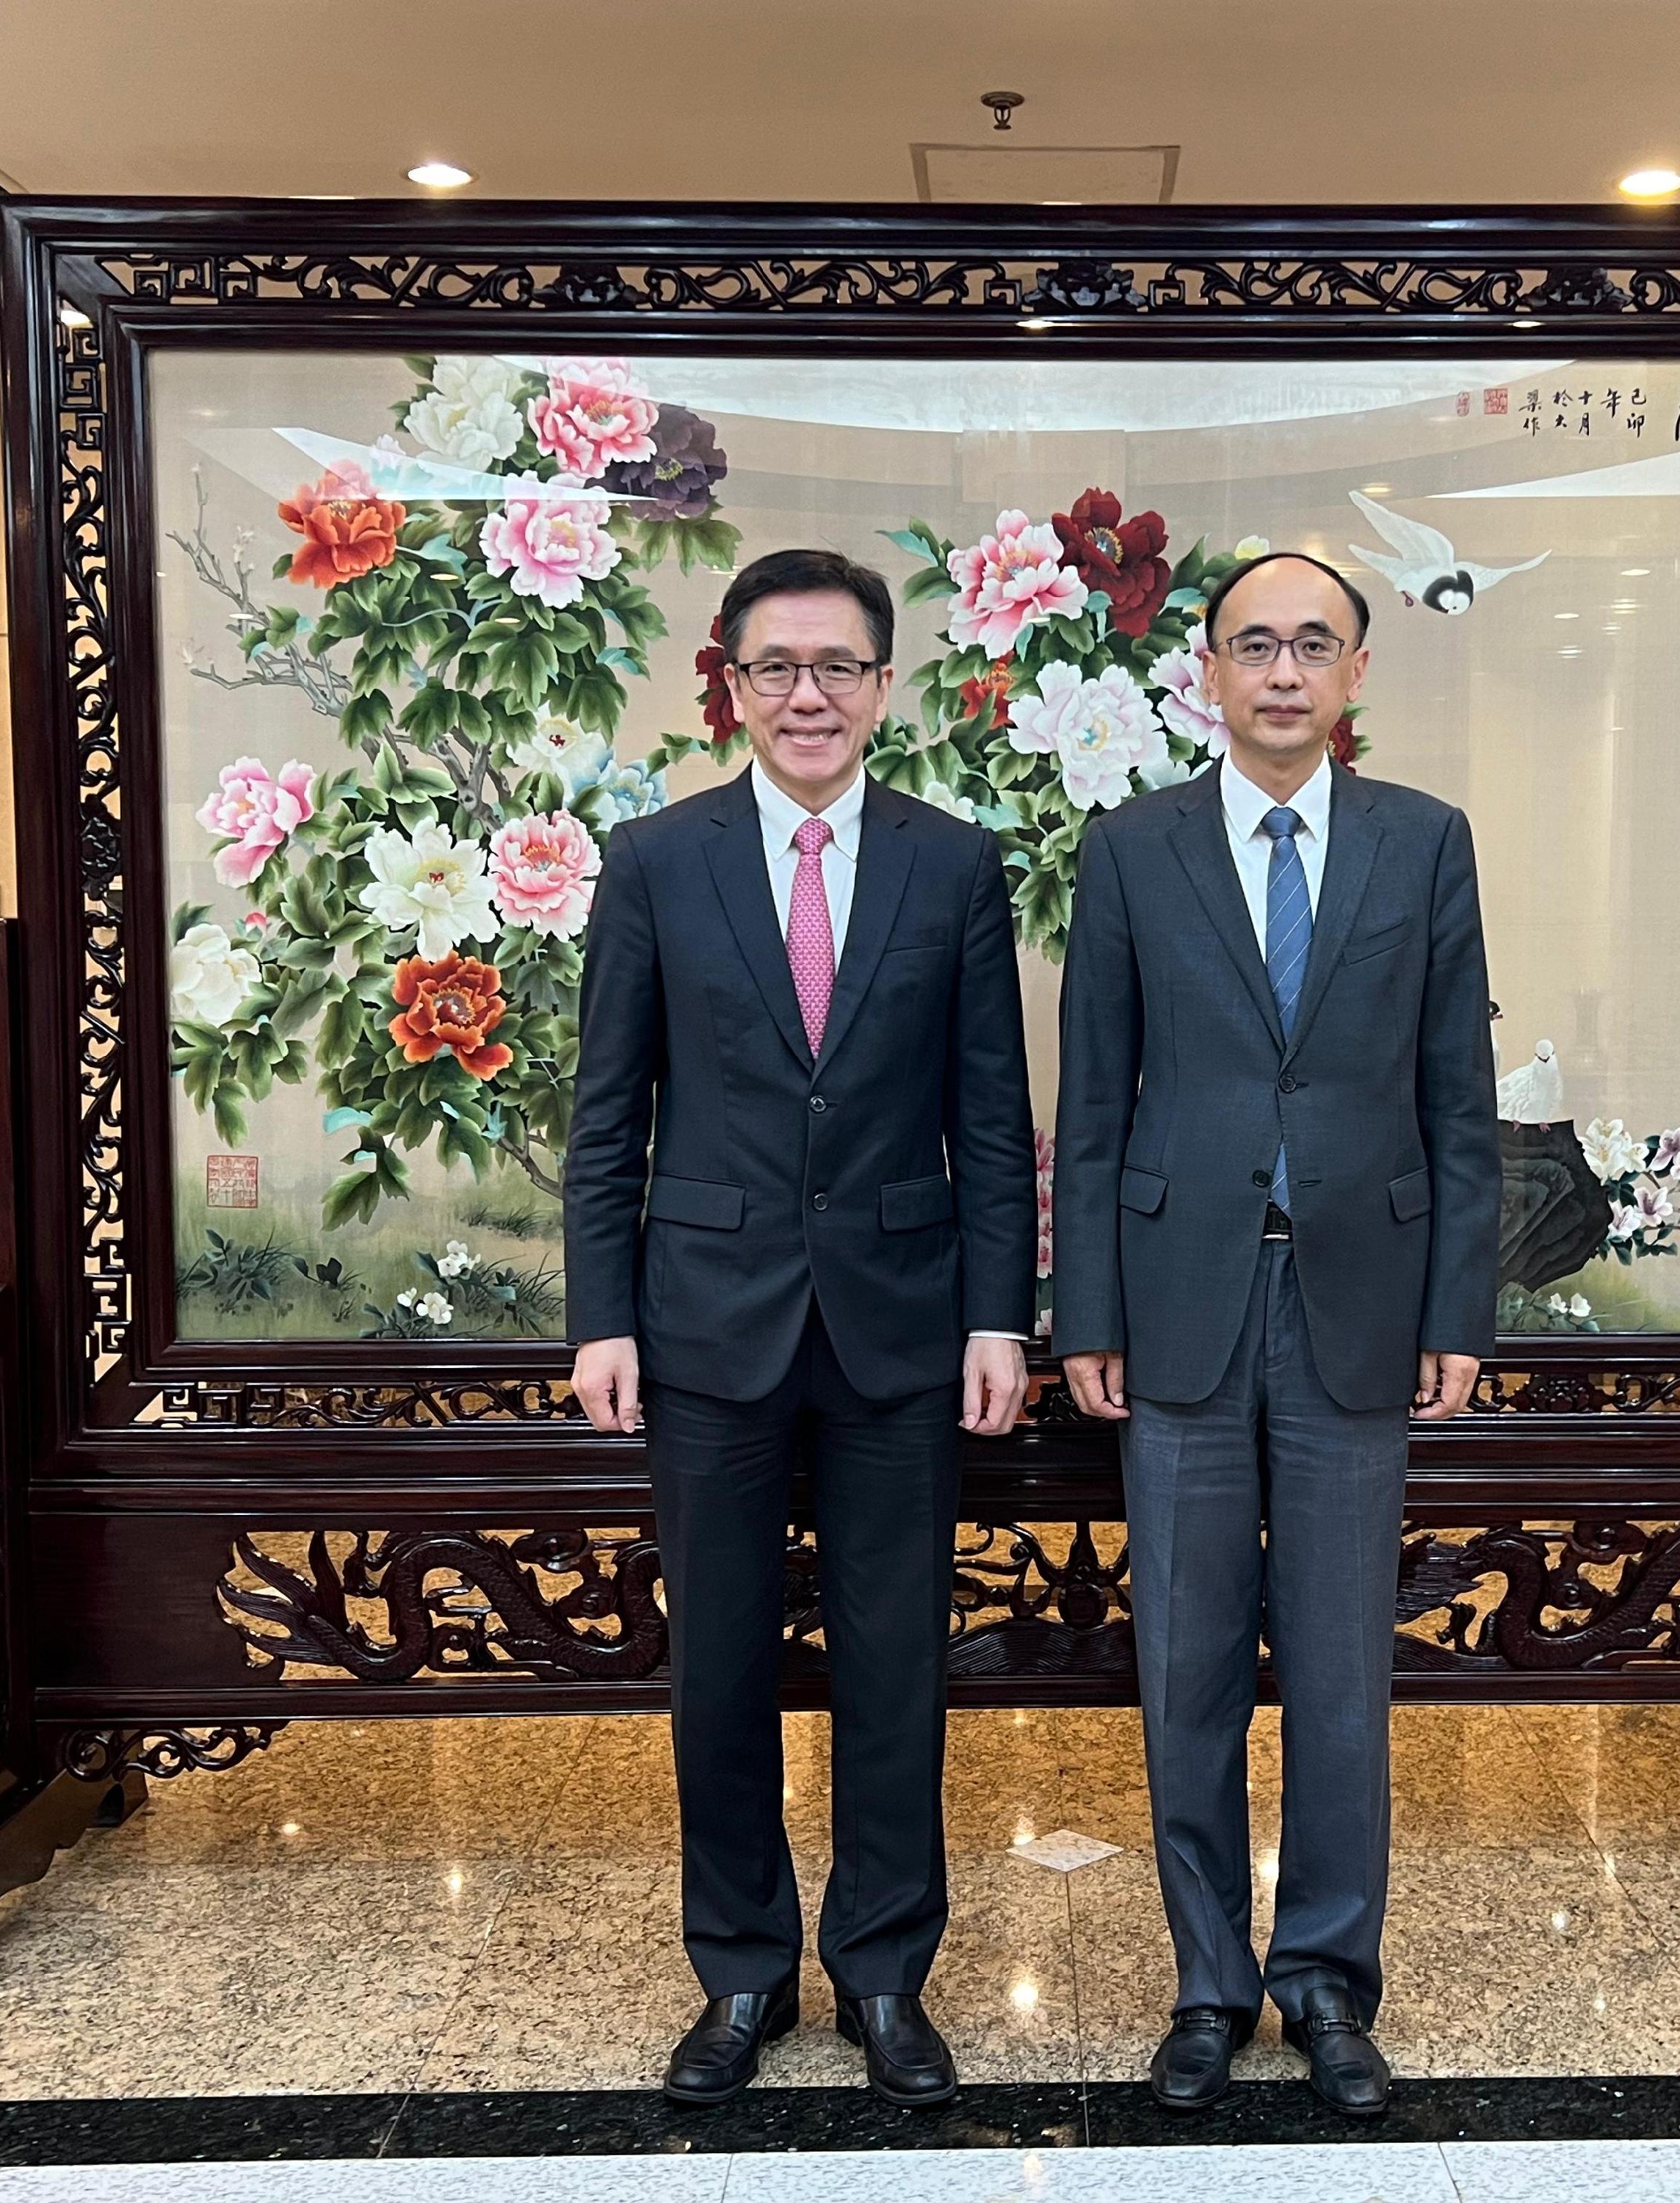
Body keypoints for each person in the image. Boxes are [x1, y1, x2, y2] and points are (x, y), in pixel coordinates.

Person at [563, 547, 1035, 2109]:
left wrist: (997, 1319)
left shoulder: (953, 865)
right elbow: (604, 1116)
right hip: (702, 1329)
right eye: (775, 668)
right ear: (732, 686)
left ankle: (887, 1971)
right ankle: (744, 1970)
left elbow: (987, 1114)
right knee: (717, 1665)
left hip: (902, 1333)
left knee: (895, 1662)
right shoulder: (652, 861)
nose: (807, 695)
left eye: (837, 667)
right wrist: (600, 1317)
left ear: (882, 687)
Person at [1052, 550, 1499, 2117]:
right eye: (1254, 644)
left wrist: (1459, 1305)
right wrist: (1083, 1311)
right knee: (1180, 1670)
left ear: (1356, 672)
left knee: (1334, 1671)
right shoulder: (1129, 850)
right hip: (1175, 1305)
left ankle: (1323, 1982)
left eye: (1313, 643)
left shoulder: (1422, 846)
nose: (1283, 670)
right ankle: (1205, 1984)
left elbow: (1456, 1099)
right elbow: (1090, 1102)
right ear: (1209, 674)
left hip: (1359, 1311)